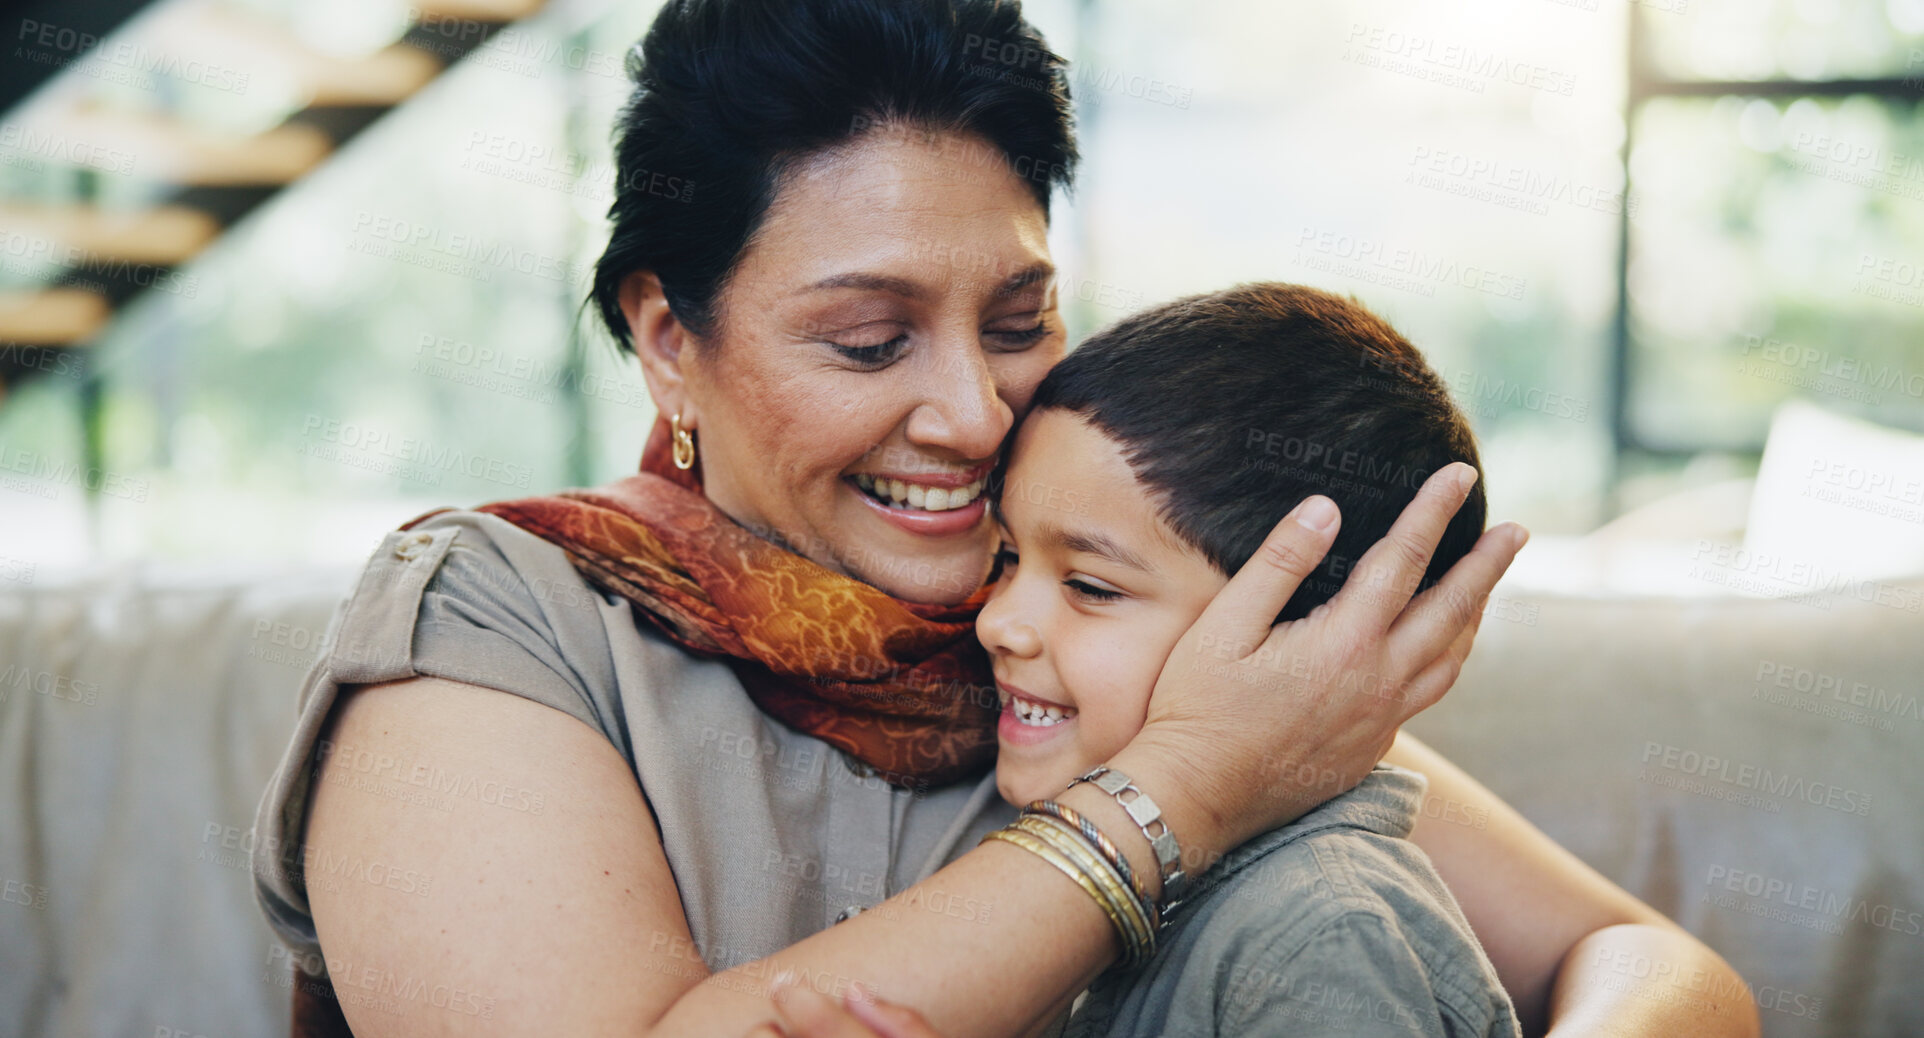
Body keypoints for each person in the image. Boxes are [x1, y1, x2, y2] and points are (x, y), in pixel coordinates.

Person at [250, 2, 1759, 1037]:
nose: (974, 412)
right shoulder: (504, 618)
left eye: (1020, 315)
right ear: (665, 334)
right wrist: (1182, 786)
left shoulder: (1090, 624)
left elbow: (1661, 969)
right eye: (869, 340)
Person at [977, 283, 1520, 1037]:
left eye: (1091, 587)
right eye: (1004, 555)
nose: (997, 620)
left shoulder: (1320, 935)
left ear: (1317, 651)